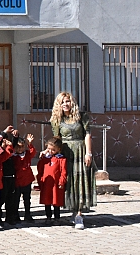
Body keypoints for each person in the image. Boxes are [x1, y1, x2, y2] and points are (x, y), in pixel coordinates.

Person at [50, 92, 96, 230]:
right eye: (62, 102)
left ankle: (79, 215)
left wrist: (89, 153)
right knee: (69, 182)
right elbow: (56, 139)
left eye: (67, 101)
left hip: (80, 151)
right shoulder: (56, 119)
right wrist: (49, 151)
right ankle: (72, 210)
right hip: (66, 153)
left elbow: (87, 134)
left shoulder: (82, 116)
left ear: (72, 102)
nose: (65, 104)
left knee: (81, 182)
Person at [37, 137, 67, 225]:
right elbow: (40, 169)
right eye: (48, 149)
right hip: (47, 183)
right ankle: (48, 217)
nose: (50, 151)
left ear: (58, 149)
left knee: (56, 201)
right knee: (47, 200)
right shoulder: (45, 159)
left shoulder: (61, 159)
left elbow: (63, 172)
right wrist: (42, 157)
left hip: (56, 184)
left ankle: (57, 218)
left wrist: (62, 181)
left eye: (53, 150)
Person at [13, 134, 36, 223]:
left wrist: (30, 143)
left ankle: (28, 215)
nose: (20, 149)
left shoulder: (27, 154)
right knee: (16, 200)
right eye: (18, 147)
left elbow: (33, 152)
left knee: (27, 199)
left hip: (27, 181)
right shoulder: (13, 156)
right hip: (17, 182)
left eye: (22, 147)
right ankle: (16, 215)